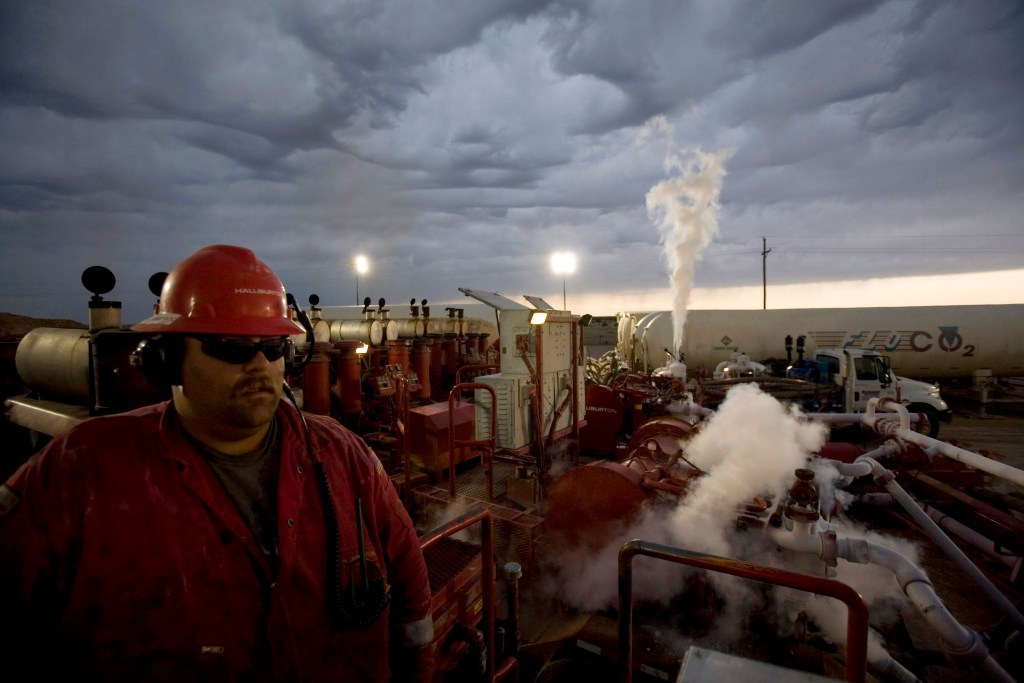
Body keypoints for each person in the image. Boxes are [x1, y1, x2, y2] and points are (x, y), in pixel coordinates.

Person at [0, 245, 434, 682]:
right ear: (168, 360)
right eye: (232, 348)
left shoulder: (343, 454)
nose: (260, 366)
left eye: (273, 347)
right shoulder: (77, 473)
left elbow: (409, 584)